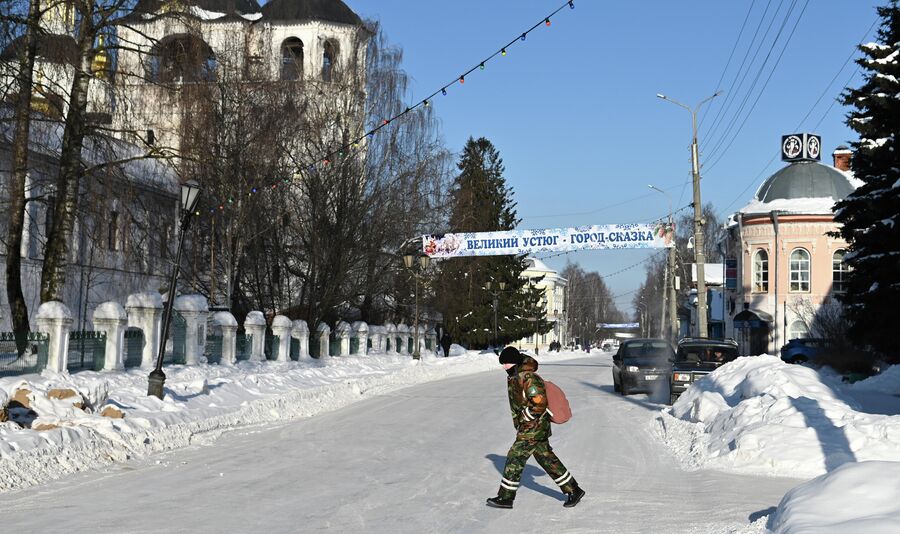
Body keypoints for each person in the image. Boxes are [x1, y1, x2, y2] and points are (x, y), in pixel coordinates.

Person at [486, 346, 585, 509]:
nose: (505, 367)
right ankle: (574, 490)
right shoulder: (515, 376)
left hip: (533, 426)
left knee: (515, 457)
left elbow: (539, 402)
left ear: (516, 363)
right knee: (546, 458)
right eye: (503, 364)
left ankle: (506, 498)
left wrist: (527, 416)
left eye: (508, 363)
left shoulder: (529, 377)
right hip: (532, 427)